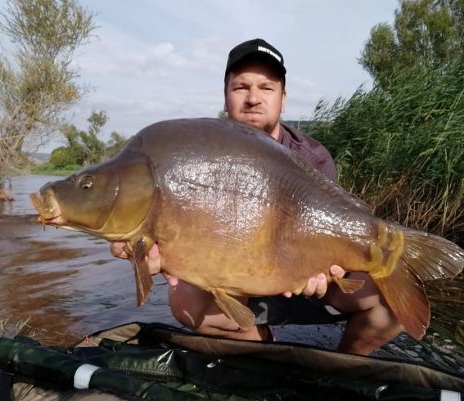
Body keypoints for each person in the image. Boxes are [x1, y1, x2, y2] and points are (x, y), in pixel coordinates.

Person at [111, 38, 403, 355]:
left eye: (266, 87)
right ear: (225, 98)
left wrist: (326, 269)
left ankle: (344, 367)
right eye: (241, 87)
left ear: (283, 98)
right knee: (185, 302)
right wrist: (151, 252)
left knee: (395, 300)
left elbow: (329, 238)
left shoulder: (313, 158)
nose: (253, 98)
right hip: (240, 284)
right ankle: (264, 352)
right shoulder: (203, 150)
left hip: (310, 285)